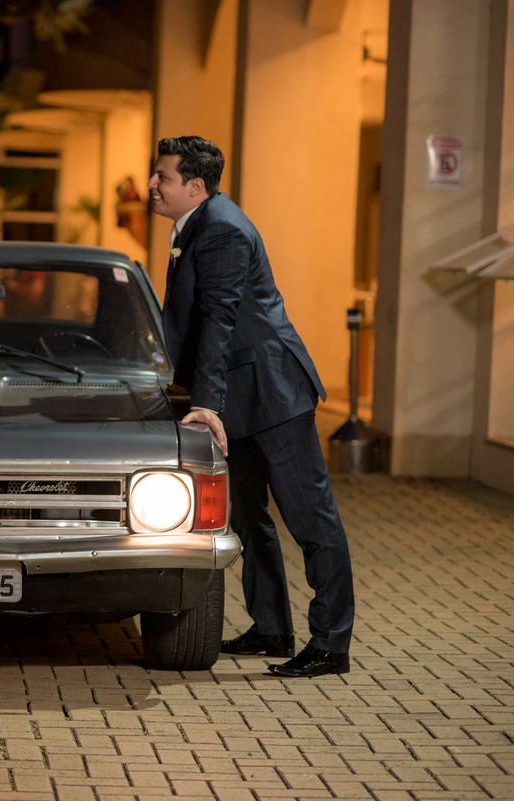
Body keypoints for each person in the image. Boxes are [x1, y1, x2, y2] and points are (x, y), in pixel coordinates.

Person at [147, 135, 354, 678]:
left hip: (272, 393)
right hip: (239, 396)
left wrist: (205, 405)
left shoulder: (221, 229)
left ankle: (332, 644)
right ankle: (271, 629)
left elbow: (219, 319)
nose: (152, 185)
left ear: (194, 186)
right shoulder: (199, 223)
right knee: (248, 517)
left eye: (162, 176)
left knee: (311, 521)